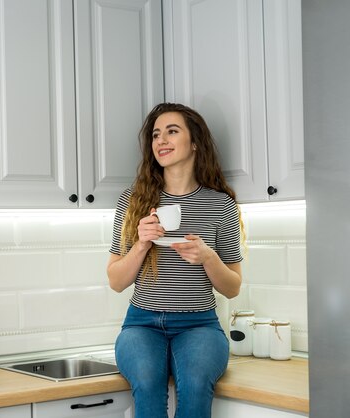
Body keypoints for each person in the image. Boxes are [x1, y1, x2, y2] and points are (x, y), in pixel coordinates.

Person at [107, 102, 244, 418]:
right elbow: (116, 282)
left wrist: (208, 257)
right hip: (142, 324)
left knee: (196, 384)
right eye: (156, 135)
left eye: (172, 131)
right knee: (147, 380)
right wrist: (141, 244)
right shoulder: (132, 201)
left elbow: (233, 288)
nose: (161, 141)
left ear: (194, 142)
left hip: (199, 324)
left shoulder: (220, 205)